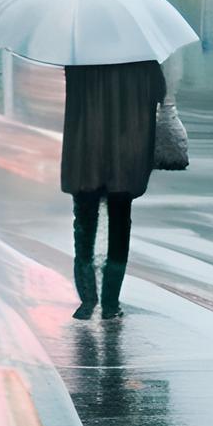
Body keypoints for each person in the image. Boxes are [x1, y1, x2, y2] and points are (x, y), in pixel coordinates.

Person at [62, 58, 167, 319]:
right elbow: (159, 93)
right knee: (120, 228)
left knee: (84, 227)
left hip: (85, 153)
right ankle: (110, 303)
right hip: (126, 155)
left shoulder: (79, 55)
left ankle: (87, 301)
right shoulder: (142, 57)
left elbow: (72, 86)